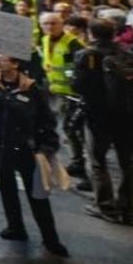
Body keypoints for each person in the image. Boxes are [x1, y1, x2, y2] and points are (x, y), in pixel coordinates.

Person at [0, 52, 67, 257]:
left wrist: (47, 146)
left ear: (15, 64)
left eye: (2, 59)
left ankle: (51, 239)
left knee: (37, 195)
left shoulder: (31, 87)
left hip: (25, 148)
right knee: (6, 188)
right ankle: (15, 227)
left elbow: (37, 116)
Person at [70, 17, 133, 224]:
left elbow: (78, 86)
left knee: (98, 161)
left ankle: (105, 206)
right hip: (128, 116)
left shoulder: (86, 55)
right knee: (128, 163)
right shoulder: (128, 54)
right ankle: (128, 209)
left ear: (91, 33)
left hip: (98, 116)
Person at [39, 12, 87, 189]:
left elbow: (76, 68)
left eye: (53, 23)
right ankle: (77, 161)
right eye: (46, 24)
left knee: (71, 129)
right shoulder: (45, 40)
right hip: (56, 91)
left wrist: (74, 85)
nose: (49, 27)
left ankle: (79, 163)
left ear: (62, 25)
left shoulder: (72, 43)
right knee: (66, 128)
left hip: (72, 94)